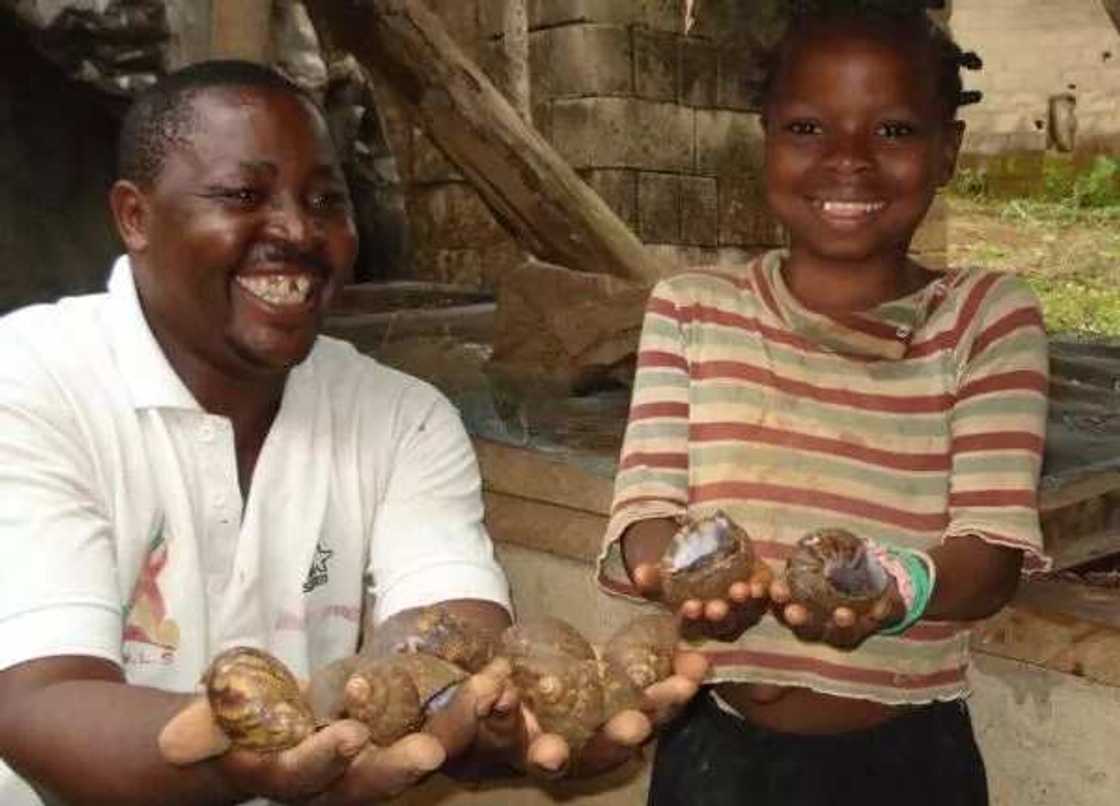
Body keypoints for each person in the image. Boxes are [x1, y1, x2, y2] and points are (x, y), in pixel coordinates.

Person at [0, 60, 704, 805]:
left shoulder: (401, 416)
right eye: (244, 195)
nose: (299, 231)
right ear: (135, 216)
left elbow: (451, 642)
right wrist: (245, 763)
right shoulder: (30, 381)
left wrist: (493, 721)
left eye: (326, 201)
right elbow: (37, 702)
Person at [598, 5, 1050, 805]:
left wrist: (891, 588)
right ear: (765, 138)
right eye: (807, 129)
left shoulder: (984, 318)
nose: (848, 160)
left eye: (895, 131)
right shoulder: (692, 311)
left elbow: (988, 558)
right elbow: (646, 509)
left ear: (948, 150)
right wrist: (674, 574)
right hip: (712, 754)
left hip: (906, 763)